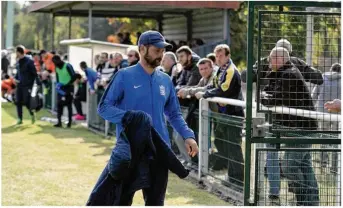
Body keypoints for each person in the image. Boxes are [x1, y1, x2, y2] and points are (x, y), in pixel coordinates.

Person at [97, 30, 198, 205]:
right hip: (130, 151)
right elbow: (104, 107)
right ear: (142, 49)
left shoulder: (165, 80)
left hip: (159, 151)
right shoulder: (123, 76)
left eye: (163, 51)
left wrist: (187, 135)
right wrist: (129, 118)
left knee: (155, 203)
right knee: (121, 202)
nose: (161, 55)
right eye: (157, 50)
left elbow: (173, 113)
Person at [261, 47, 319, 205]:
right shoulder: (279, 74)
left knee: (289, 167)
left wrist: (266, 98)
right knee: (305, 166)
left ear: (279, 59)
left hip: (302, 129)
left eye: (270, 59)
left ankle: (305, 201)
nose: (268, 62)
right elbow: (266, 94)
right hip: (295, 128)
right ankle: (311, 202)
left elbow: (273, 98)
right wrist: (266, 97)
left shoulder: (289, 74)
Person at [196, 44, 244, 190]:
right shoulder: (221, 70)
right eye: (216, 56)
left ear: (228, 56)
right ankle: (232, 175)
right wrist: (204, 91)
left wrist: (205, 94)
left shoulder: (230, 70)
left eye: (221, 55)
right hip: (224, 114)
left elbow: (223, 89)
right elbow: (213, 86)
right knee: (222, 142)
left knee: (233, 147)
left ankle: (238, 181)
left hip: (233, 114)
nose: (218, 58)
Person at [14, 45, 41, 125]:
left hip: (28, 85)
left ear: (19, 52)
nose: (16, 53)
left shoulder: (29, 61)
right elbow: (18, 72)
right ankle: (19, 119)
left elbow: (34, 73)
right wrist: (16, 78)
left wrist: (35, 83)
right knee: (18, 101)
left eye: (16, 52)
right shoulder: (18, 61)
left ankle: (32, 114)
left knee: (26, 102)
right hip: (19, 85)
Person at [52, 55, 76, 128]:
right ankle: (59, 122)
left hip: (69, 87)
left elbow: (74, 76)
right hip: (61, 88)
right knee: (59, 105)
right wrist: (58, 85)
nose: (55, 64)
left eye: (56, 62)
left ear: (59, 60)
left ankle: (69, 123)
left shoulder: (68, 66)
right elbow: (58, 78)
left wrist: (67, 83)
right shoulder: (56, 68)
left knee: (69, 105)